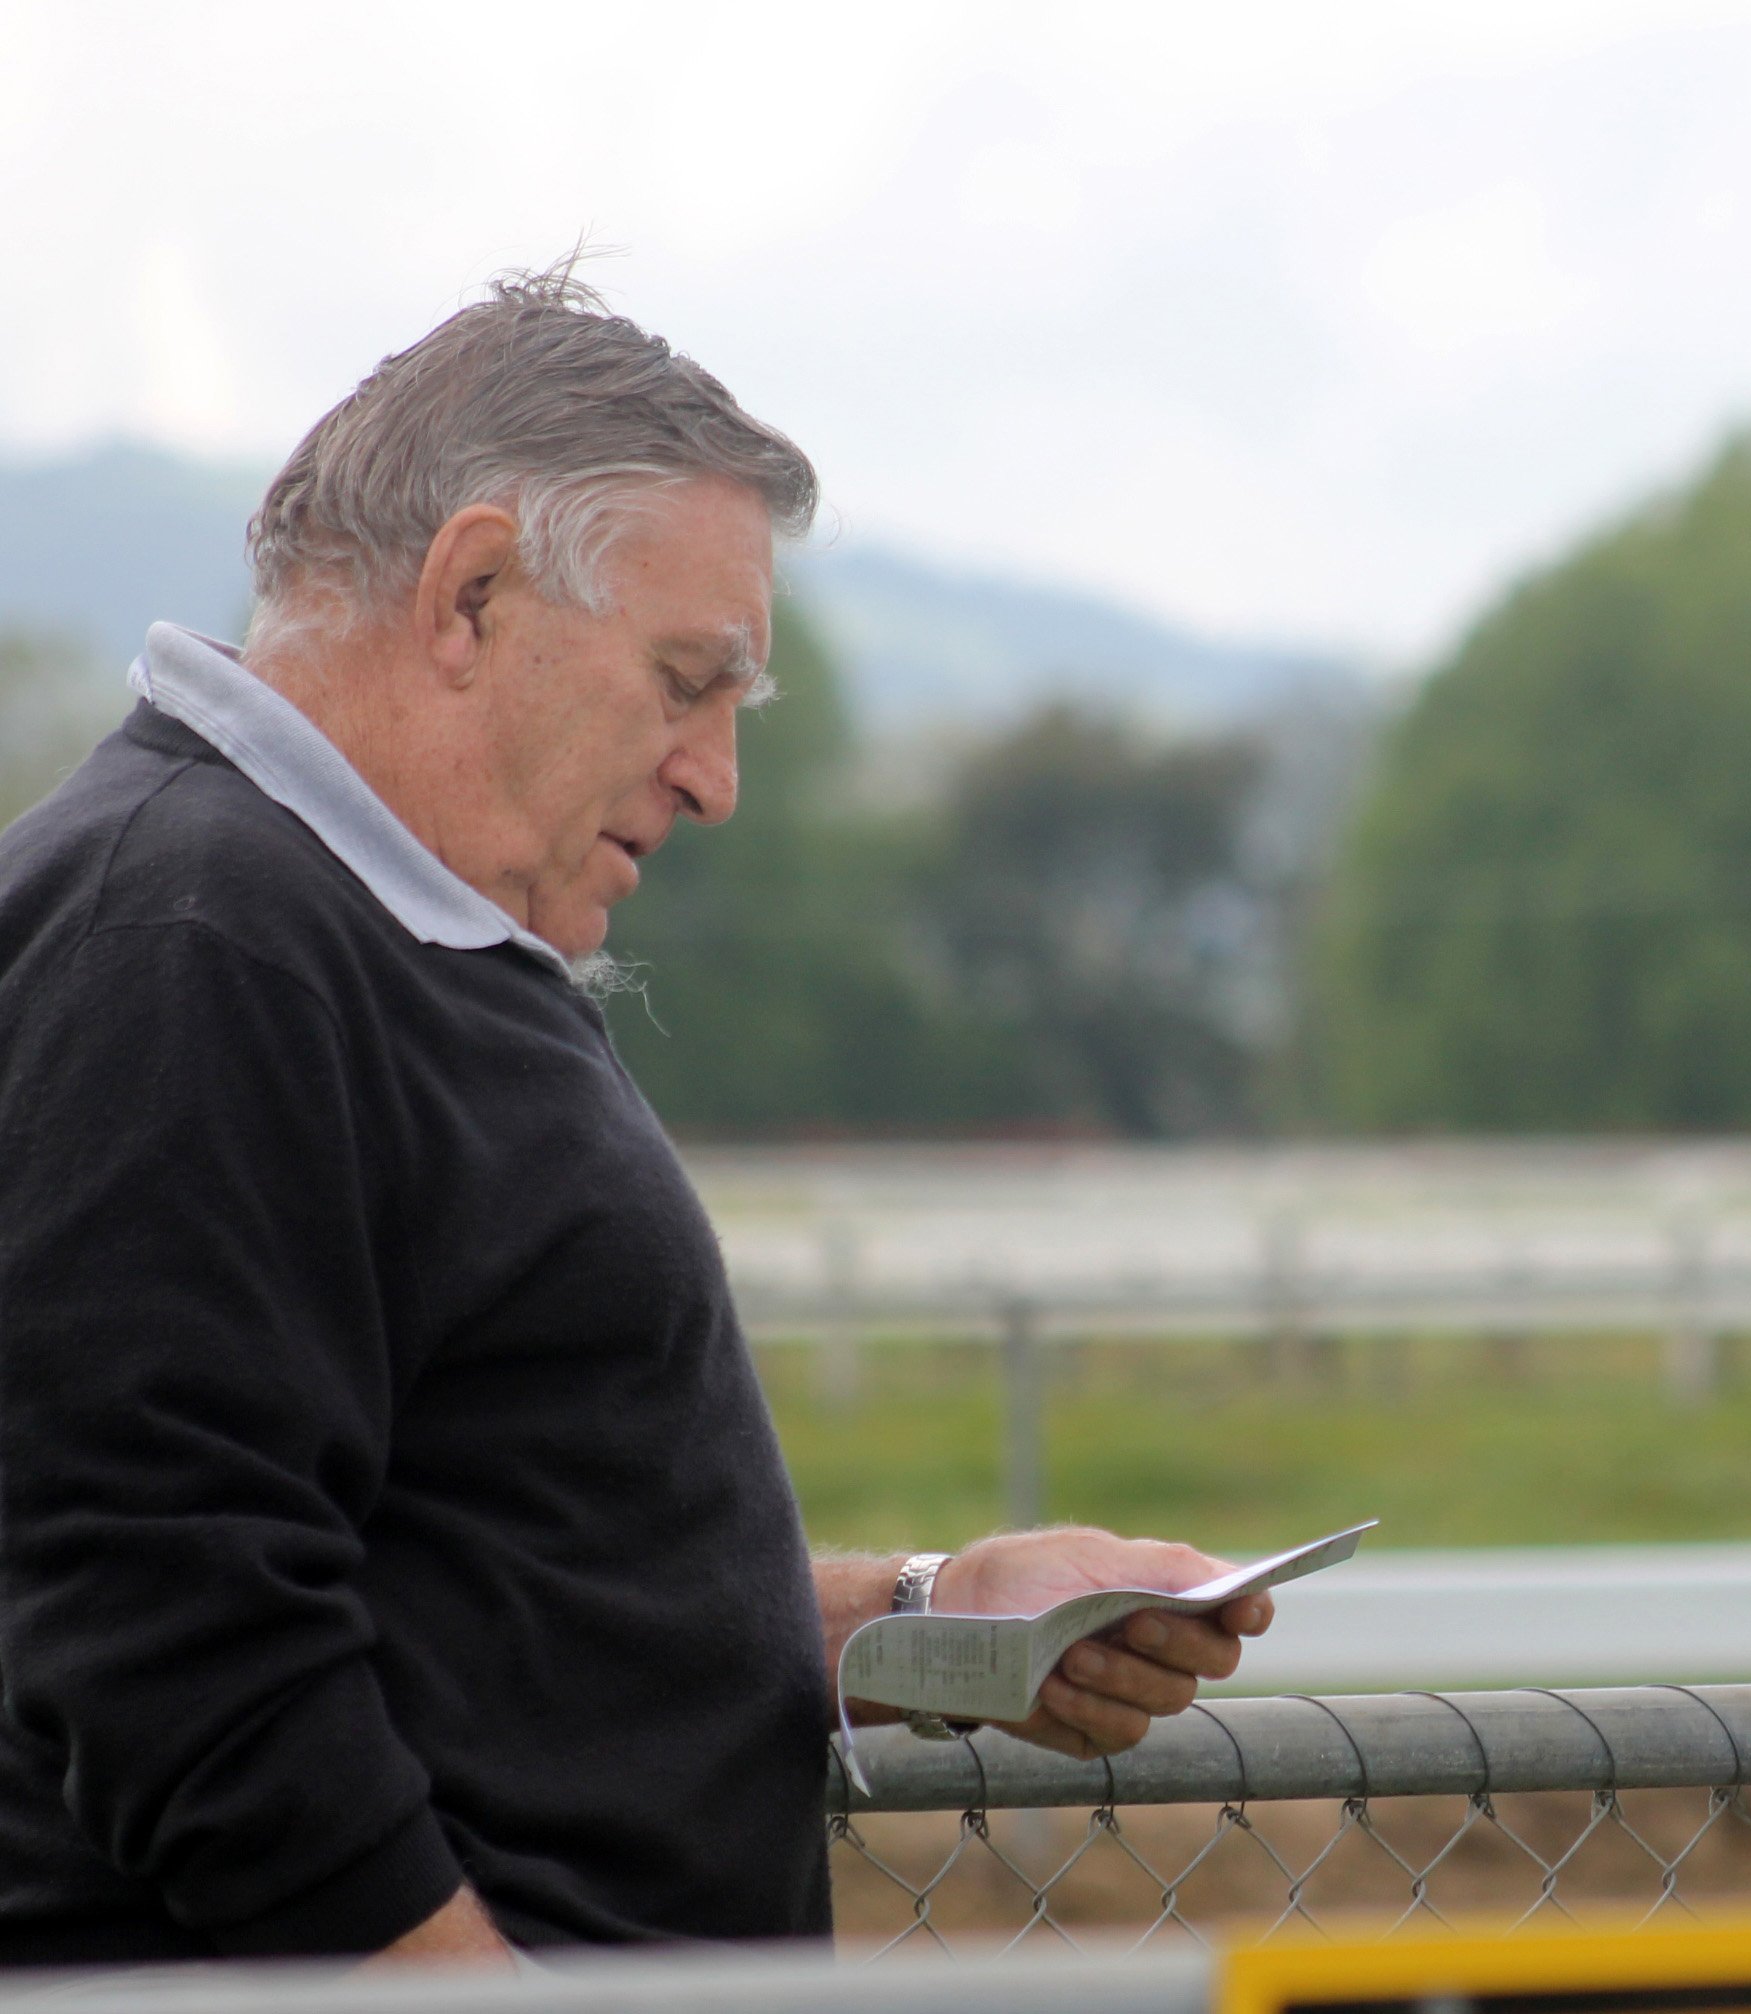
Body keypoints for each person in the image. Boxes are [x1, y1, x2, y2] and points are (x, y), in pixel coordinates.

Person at [0, 267, 1271, 1966]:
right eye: (687, 679)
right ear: (469, 595)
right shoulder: (195, 929)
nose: (714, 776)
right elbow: (165, 1621)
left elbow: (477, 1585)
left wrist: (922, 1615)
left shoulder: (357, 924)